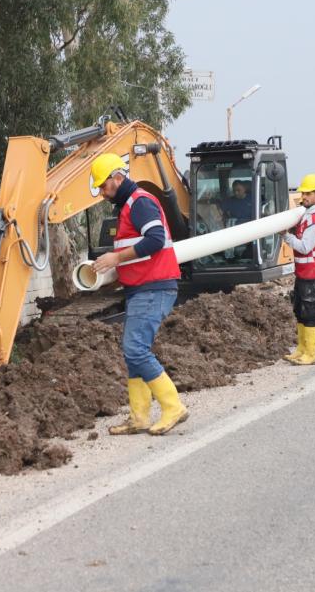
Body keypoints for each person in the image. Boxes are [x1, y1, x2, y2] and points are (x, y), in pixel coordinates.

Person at [90, 153, 189, 436]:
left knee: (135, 349)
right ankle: (139, 417)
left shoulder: (140, 202)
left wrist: (117, 259)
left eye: (103, 185)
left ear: (117, 178)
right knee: (133, 354)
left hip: (154, 287)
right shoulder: (127, 206)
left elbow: (156, 240)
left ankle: (173, 407)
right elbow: (138, 249)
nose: (101, 192)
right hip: (142, 287)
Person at [282, 174, 315, 365]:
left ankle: (311, 353)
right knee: (300, 309)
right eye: (302, 193)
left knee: (310, 311)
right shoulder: (307, 215)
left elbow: (304, 247)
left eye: (307, 193)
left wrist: (285, 236)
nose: (303, 196)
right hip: (306, 272)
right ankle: (301, 349)